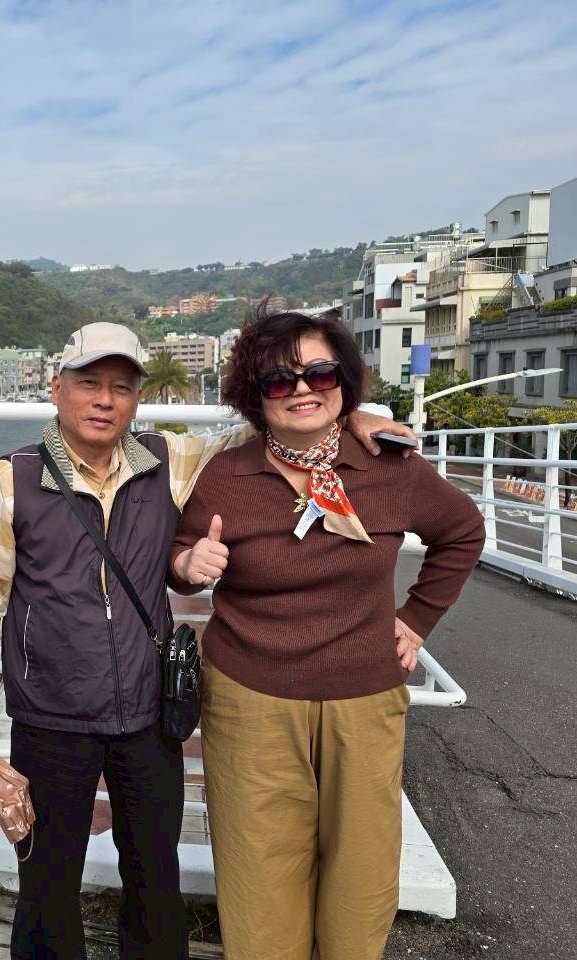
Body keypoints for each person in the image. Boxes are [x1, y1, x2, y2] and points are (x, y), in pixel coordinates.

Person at [0, 321, 414, 959]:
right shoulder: (12, 480)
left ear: (138, 399)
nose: (104, 400)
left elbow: (265, 432)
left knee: (155, 876)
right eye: (88, 383)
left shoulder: (168, 461)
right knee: (47, 881)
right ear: (56, 389)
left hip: (147, 713)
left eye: (121, 387)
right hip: (50, 715)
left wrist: (350, 416)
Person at [170, 307, 485, 960]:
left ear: (344, 381)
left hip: (363, 697)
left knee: (362, 873)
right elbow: (179, 556)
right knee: (257, 875)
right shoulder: (226, 475)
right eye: (279, 380)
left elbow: (462, 530)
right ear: (256, 396)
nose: (302, 389)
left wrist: (417, 619)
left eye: (319, 373)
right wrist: (188, 565)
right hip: (249, 696)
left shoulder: (388, 466)